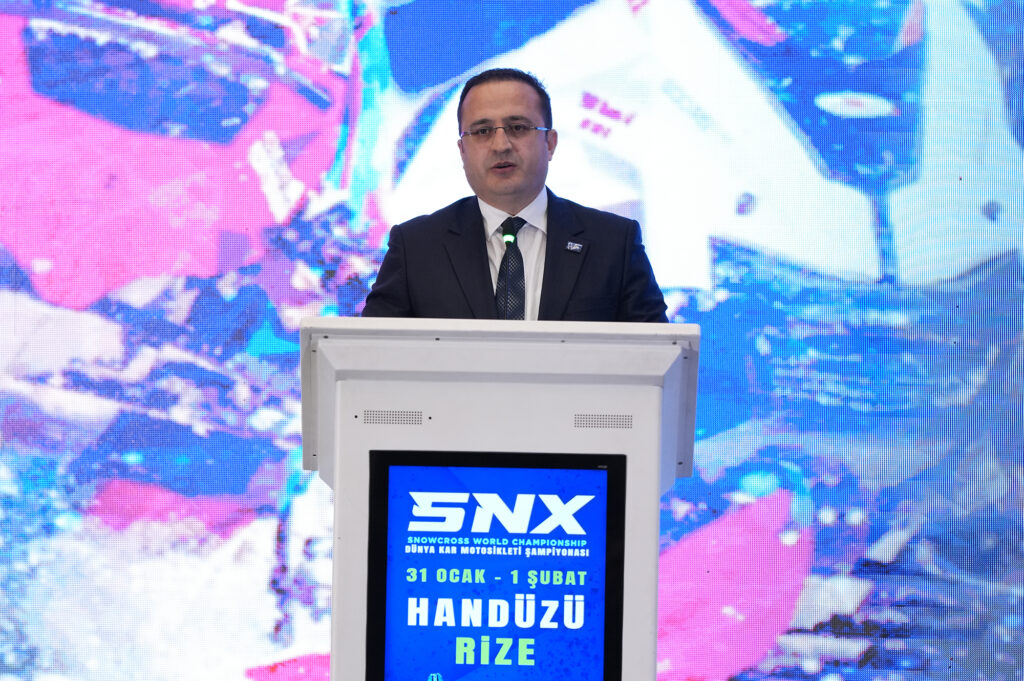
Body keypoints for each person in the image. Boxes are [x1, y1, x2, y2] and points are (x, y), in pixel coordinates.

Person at [361, 68, 667, 322]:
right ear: (463, 151)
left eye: (518, 127)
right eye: (482, 131)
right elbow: (370, 354)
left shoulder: (614, 244)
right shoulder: (416, 247)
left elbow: (660, 356)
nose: (501, 145)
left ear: (550, 143)